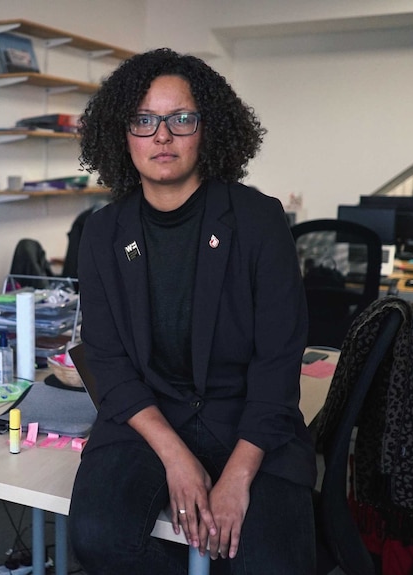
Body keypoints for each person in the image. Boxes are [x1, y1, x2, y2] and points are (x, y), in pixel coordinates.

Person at [68, 48, 316, 574]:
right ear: (122, 133)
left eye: (181, 118)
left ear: (208, 129)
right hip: (147, 417)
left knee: (272, 562)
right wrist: (177, 457)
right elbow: (107, 361)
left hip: (246, 416)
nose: (163, 136)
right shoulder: (103, 233)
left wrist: (239, 474)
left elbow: (278, 362)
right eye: (144, 120)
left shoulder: (258, 220)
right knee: (96, 536)